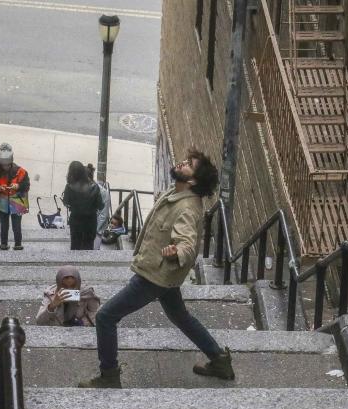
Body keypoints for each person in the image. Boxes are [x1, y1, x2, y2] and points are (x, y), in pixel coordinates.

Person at [80, 148, 235, 388]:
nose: (182, 163)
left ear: (192, 180)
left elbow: (187, 243)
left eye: (188, 165)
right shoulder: (177, 193)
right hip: (165, 276)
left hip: (154, 277)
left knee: (106, 316)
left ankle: (108, 374)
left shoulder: (187, 209)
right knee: (180, 317)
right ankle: (219, 360)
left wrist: (177, 252)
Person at [0, 143, 30, 250]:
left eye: (7, 165)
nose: (5, 167)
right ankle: (4, 243)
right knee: (4, 224)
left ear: (11, 162)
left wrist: (18, 185)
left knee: (16, 225)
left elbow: (26, 185)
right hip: (2, 200)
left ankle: (18, 244)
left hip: (17, 199)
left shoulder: (21, 171)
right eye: (3, 165)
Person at [36, 266, 100, 327]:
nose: (69, 289)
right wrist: (52, 306)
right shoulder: (51, 294)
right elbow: (39, 321)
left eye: (72, 286)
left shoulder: (86, 293)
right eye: (65, 287)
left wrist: (83, 322)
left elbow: (95, 313)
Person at [61, 161, 104, 250]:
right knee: (89, 246)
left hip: (76, 220)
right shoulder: (94, 187)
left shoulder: (69, 187)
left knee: (75, 245)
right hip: (90, 221)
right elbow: (101, 206)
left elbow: (66, 202)